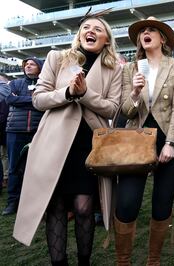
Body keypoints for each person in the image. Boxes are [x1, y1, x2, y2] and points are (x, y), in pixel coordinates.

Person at [13, 13, 122, 265]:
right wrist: (68, 93)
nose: (90, 30)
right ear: (80, 34)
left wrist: (84, 94)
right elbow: (39, 99)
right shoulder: (57, 58)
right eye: (86, 27)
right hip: (54, 142)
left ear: (106, 40)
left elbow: (112, 108)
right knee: (57, 207)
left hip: (89, 145)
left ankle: (84, 262)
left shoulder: (113, 67)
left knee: (84, 208)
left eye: (97, 28)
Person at [115, 17, 174, 265]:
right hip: (135, 141)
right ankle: (123, 260)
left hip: (168, 142)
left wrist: (171, 143)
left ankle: (153, 260)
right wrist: (135, 92)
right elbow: (126, 111)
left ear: (163, 39)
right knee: (126, 203)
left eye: (151, 30)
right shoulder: (129, 69)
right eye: (142, 31)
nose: (145, 33)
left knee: (162, 204)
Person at [2, 57, 44, 215]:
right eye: (26, 64)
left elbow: (46, 102)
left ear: (40, 67)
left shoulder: (45, 84)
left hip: (38, 130)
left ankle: (35, 202)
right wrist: (35, 100)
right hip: (15, 130)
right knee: (14, 168)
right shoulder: (15, 83)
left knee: (37, 168)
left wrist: (27, 100)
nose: (28, 66)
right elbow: (10, 99)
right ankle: (13, 201)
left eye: (32, 64)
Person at [0, 73, 10, 194]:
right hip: (6, 128)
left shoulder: (4, 89)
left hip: (4, 128)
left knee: (4, 154)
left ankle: (5, 177)